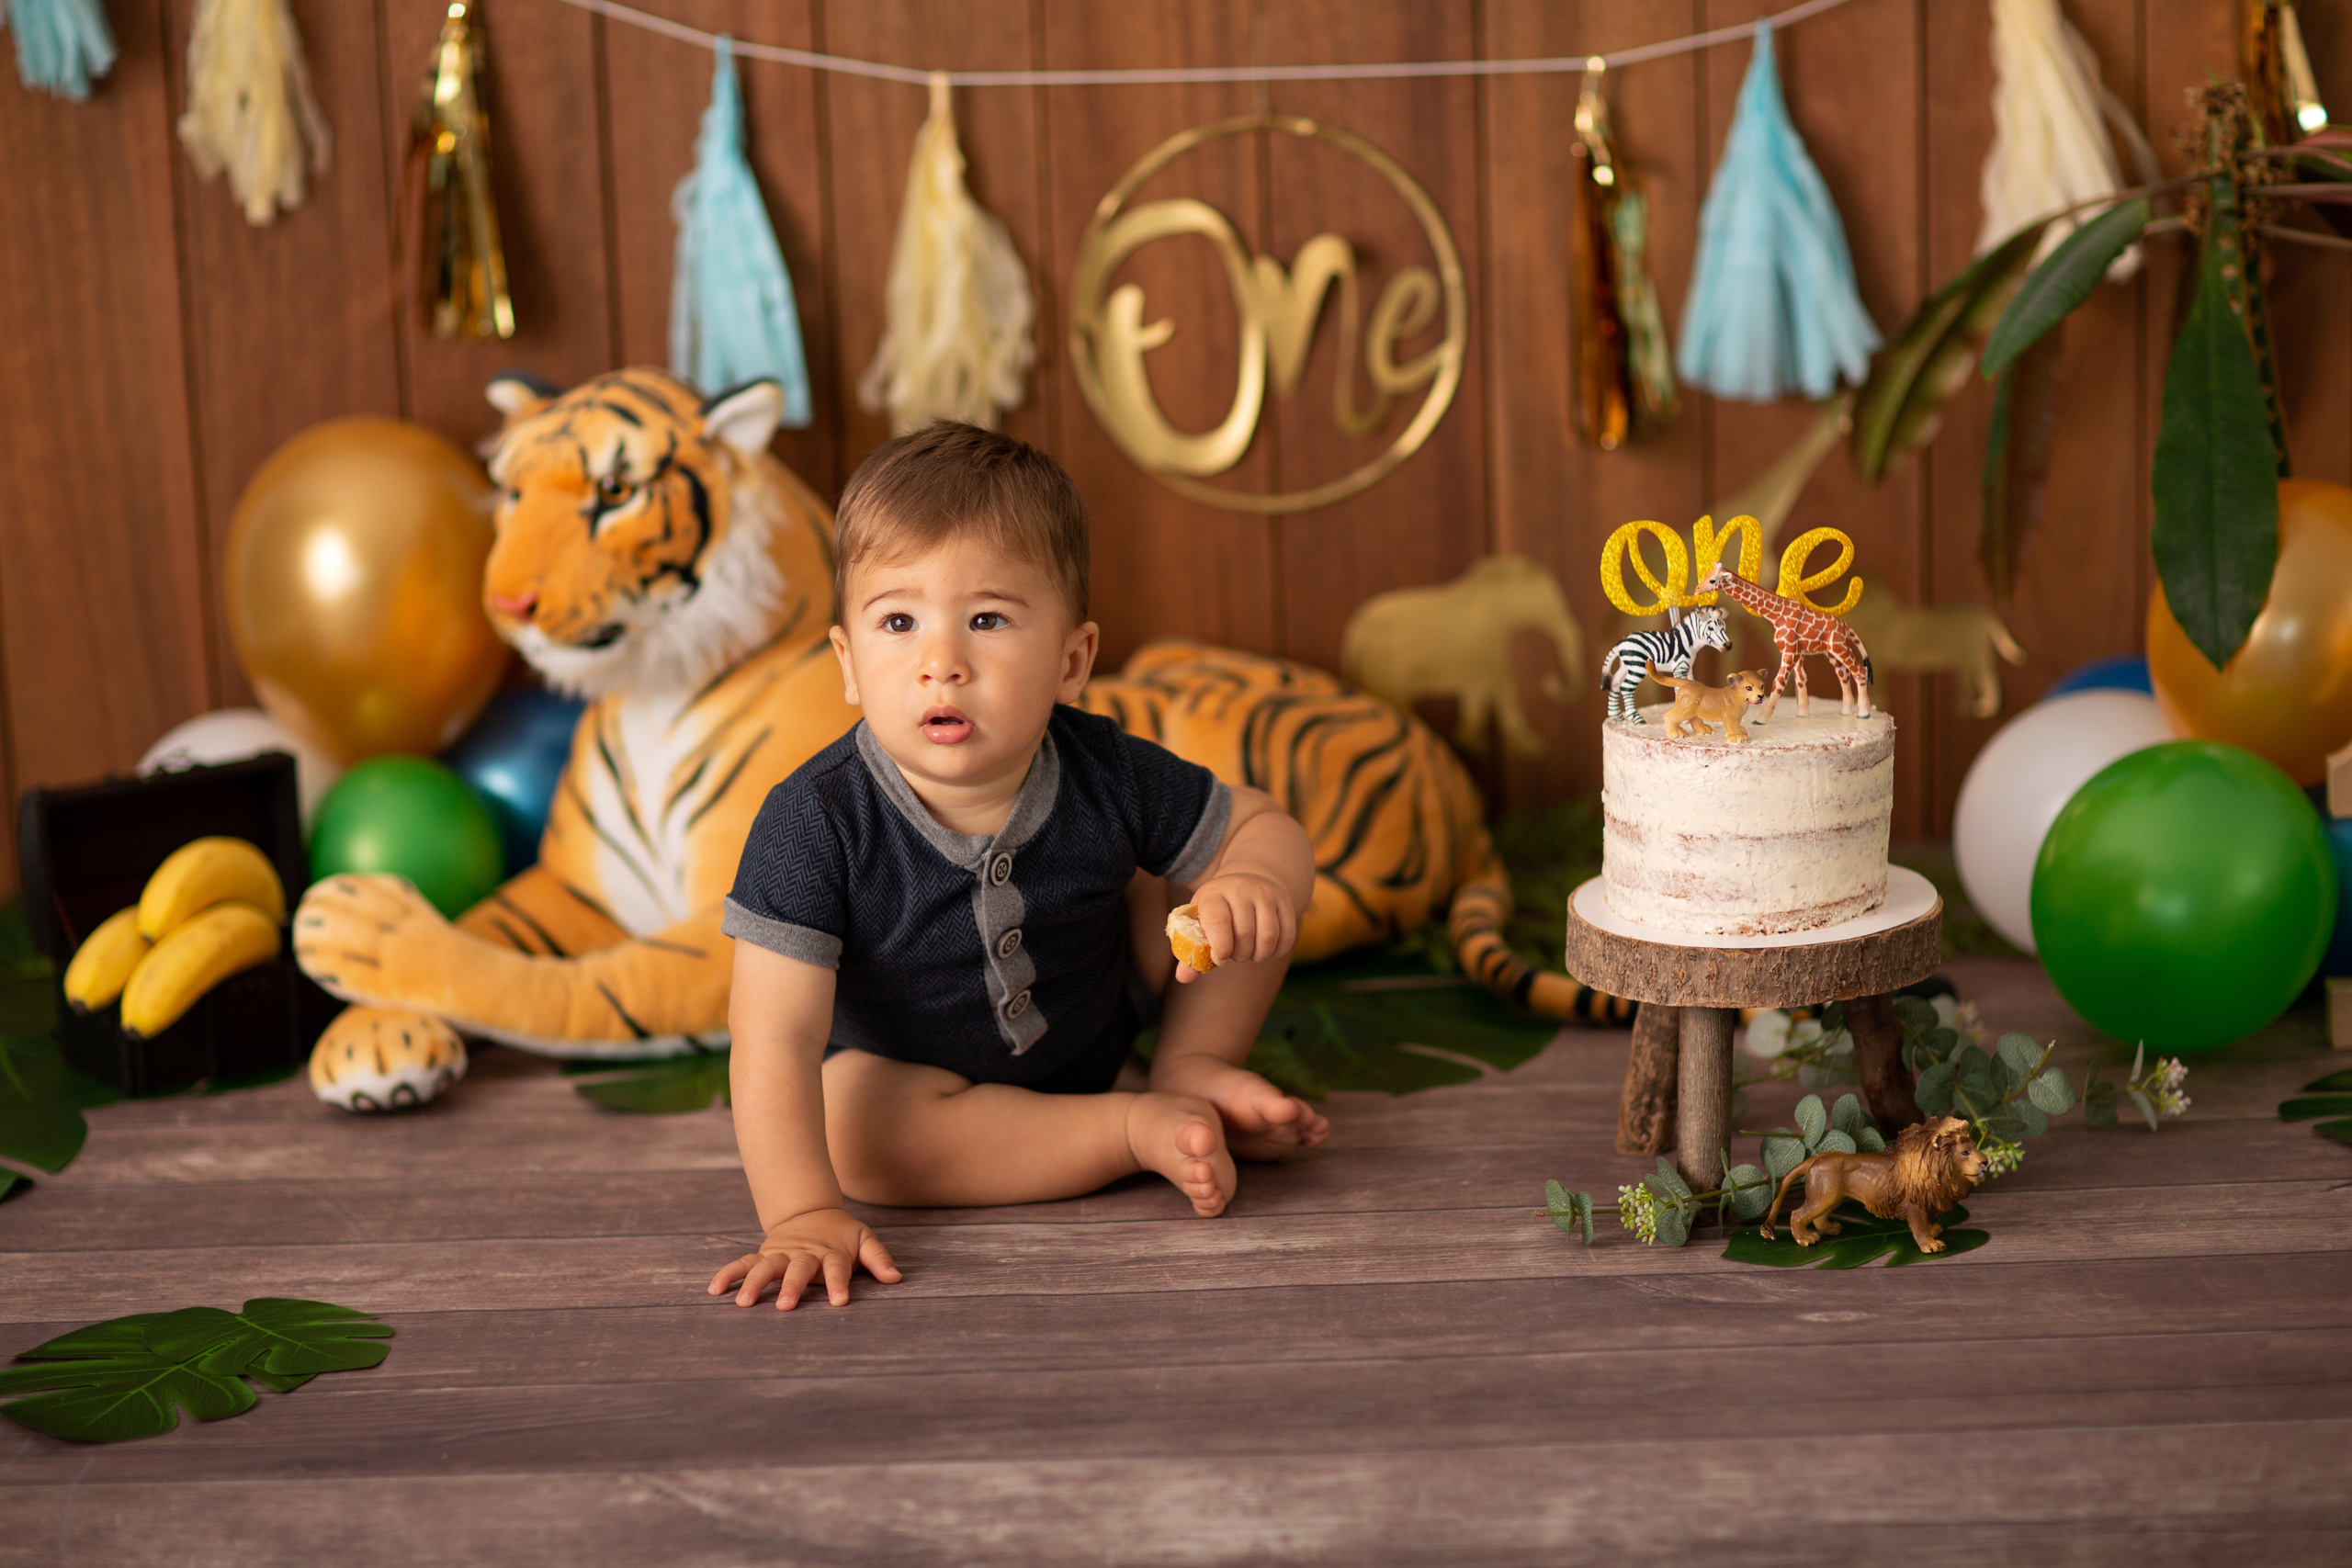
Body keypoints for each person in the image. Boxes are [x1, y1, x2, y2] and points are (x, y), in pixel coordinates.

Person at [708, 423, 1325, 1312]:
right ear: (848, 663)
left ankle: (1191, 1064)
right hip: (917, 1079)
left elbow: (1266, 825)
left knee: (1248, 882)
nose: (941, 665)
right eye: (898, 621)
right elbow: (773, 1040)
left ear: (1071, 660)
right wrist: (801, 1213)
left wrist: (1250, 881)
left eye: (987, 619)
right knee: (852, 1127)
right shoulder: (813, 822)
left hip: (1105, 1015)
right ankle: (1128, 1127)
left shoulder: (1104, 769)